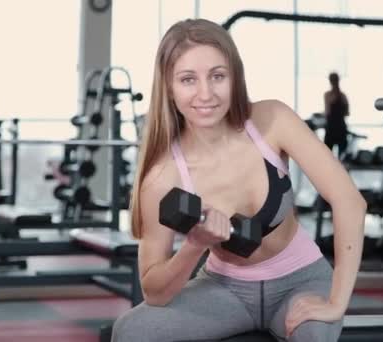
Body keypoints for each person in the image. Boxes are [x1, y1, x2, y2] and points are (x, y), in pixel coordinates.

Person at [112, 18, 366, 342]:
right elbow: (155, 292)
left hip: (301, 281)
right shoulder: (163, 176)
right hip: (223, 291)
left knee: (313, 336)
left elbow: (349, 201)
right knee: (132, 331)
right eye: (188, 79)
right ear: (169, 87)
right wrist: (195, 245)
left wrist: (337, 302)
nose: (206, 94)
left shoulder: (272, 120)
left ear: (235, 77)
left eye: (217, 76)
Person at [323, 72, 350, 157]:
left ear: (330, 81)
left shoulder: (327, 95)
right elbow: (347, 113)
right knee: (342, 157)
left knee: (328, 156)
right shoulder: (343, 96)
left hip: (331, 128)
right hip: (341, 127)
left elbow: (327, 112)